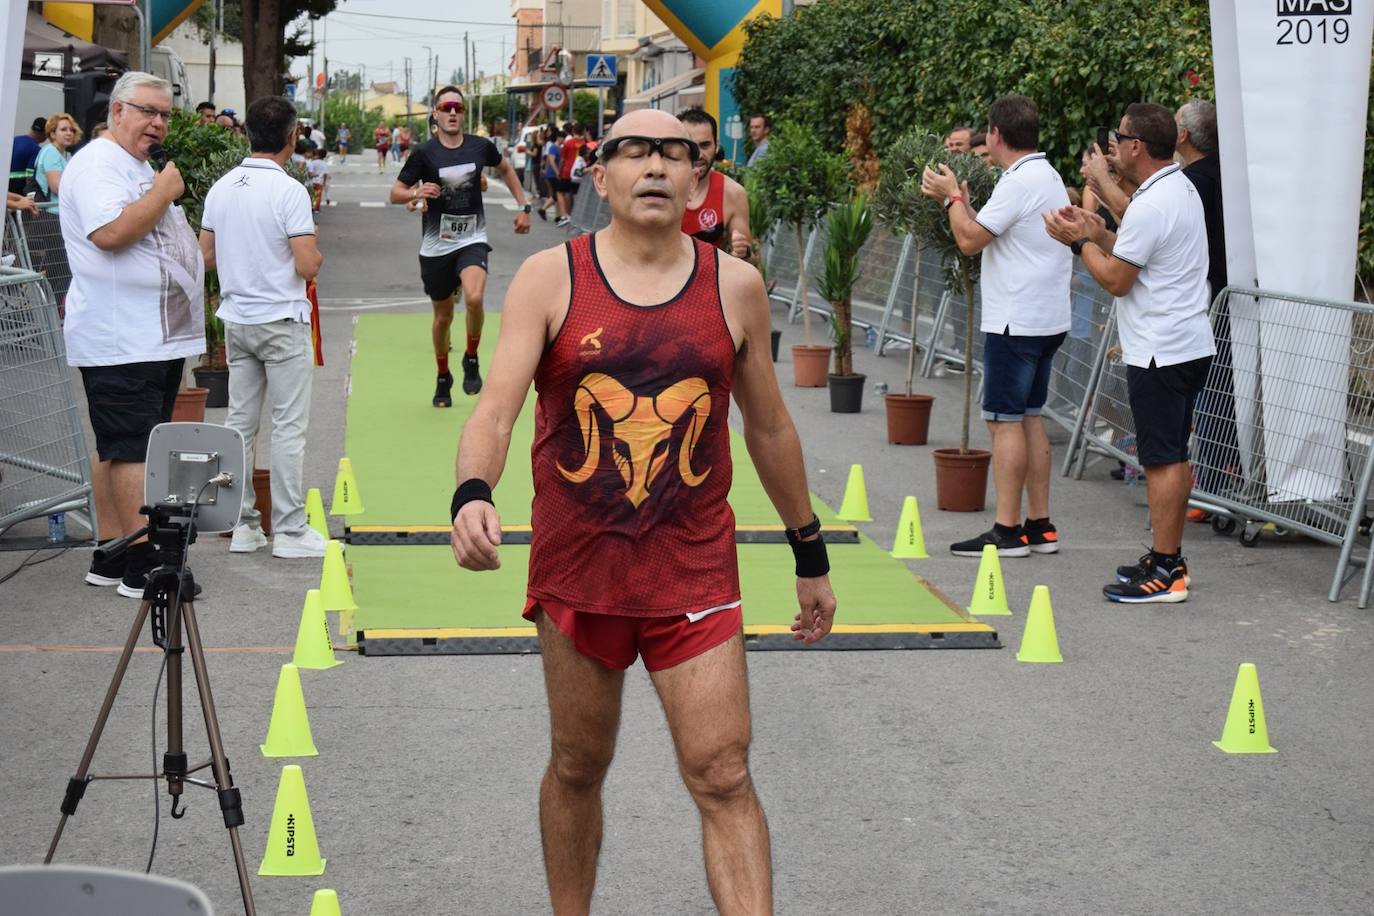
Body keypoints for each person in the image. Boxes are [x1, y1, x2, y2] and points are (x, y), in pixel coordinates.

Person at [449, 107, 837, 914]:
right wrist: (472, 492)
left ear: (702, 179)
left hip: (692, 569)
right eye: (635, 152)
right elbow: (496, 408)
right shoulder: (554, 277)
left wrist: (811, 554)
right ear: (603, 176)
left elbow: (767, 427)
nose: (656, 166)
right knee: (578, 765)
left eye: (677, 153)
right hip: (578, 568)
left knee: (723, 771)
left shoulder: (735, 286)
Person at [1043, 102, 1215, 603]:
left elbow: (1118, 278)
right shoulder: (1173, 187)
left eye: (1117, 138)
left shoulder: (1153, 202)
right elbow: (1140, 249)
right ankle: (1169, 557)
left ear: (1137, 146)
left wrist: (1079, 243)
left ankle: (1166, 571)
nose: (1112, 145)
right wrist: (1098, 232)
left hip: (1162, 348)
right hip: (1183, 341)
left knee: (1162, 460)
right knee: (1173, 456)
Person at [59, 71, 205, 595]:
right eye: (147, 111)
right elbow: (112, 233)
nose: (158, 123)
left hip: (152, 335)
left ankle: (114, 554)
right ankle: (145, 563)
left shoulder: (134, 164)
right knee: (133, 450)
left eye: (165, 114)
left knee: (121, 445)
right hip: (123, 335)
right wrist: (165, 191)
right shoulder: (100, 164)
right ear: (118, 111)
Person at [921, 94, 1071, 559]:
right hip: (1046, 317)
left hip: (1016, 320)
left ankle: (1007, 531)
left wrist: (952, 197)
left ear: (996, 136)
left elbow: (968, 240)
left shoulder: (1019, 181)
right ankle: (1040, 525)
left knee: (1002, 421)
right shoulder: (1048, 175)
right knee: (1029, 417)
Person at [199, 95, 327, 559]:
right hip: (281, 318)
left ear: (249, 134)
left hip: (238, 318)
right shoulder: (290, 189)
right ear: (292, 136)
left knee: (239, 424)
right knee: (288, 427)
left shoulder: (221, 187)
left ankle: (245, 524)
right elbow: (305, 263)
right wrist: (317, 255)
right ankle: (291, 530)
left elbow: (206, 256)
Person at [390, 86, 532, 405]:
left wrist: (524, 206)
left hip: (472, 237)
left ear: (463, 114)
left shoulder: (480, 147)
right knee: (443, 318)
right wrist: (417, 194)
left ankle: (471, 356)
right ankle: (443, 376)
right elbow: (395, 192)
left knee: (475, 297)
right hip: (436, 246)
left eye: (458, 107)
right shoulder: (425, 153)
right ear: (436, 115)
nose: (452, 112)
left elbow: (506, 169)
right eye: (446, 107)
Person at [1174, 98, 1236, 511]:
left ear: (1184, 135)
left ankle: (1209, 484)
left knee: (1211, 391)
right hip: (1224, 293)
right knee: (1221, 388)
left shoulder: (1194, 181)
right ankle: (1215, 477)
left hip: (1211, 298)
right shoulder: (1225, 175)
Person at [678, 108, 752, 260]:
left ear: (716, 146)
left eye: (705, 145)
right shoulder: (659, 189)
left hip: (708, 281)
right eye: (691, 146)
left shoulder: (732, 193)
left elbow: (749, 259)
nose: (699, 154)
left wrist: (742, 252)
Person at [34, 113, 81, 211]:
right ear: (53, 134)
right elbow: (57, 187)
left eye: (72, 130)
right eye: (63, 129)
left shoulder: (55, 152)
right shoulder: (51, 152)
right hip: (53, 213)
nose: (69, 133)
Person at [555, 123, 584, 227]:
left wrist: (559, 170)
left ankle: (564, 215)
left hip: (567, 171)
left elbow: (562, 159)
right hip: (579, 172)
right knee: (576, 193)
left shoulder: (568, 143)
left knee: (560, 192)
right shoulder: (585, 143)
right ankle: (576, 215)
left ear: (573, 131)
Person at [10, 117, 45, 194]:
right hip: (18, 190)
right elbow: (29, 177)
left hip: (5, 185)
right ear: (43, 134)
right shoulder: (36, 149)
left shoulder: (15, 140)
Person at [542, 127, 563, 222]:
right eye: (562, 138)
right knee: (556, 194)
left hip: (554, 174)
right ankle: (543, 209)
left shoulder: (558, 148)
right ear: (558, 137)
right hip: (553, 174)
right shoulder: (553, 147)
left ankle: (557, 215)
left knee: (557, 194)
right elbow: (551, 161)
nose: (563, 140)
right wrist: (557, 172)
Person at [307, 146, 330, 211]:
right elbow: (325, 174)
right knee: (318, 195)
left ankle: (311, 206)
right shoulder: (324, 164)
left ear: (317, 155)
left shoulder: (313, 162)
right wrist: (324, 182)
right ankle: (316, 207)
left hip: (312, 181)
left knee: (311, 194)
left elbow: (310, 171)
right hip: (320, 182)